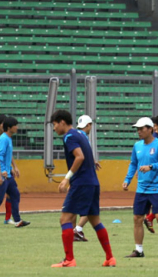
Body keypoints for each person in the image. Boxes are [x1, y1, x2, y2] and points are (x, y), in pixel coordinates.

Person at [50, 110, 115, 268]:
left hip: (82, 183)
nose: (54, 128)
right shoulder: (81, 135)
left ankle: (69, 260)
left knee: (65, 219)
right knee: (95, 220)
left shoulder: (69, 137)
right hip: (93, 182)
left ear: (62, 122)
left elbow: (80, 157)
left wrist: (67, 178)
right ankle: (110, 258)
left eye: (54, 124)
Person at [123, 117, 158, 258]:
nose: (139, 131)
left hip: (157, 187)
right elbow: (133, 164)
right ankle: (138, 250)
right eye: (137, 129)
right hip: (141, 188)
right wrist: (127, 179)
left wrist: (151, 167)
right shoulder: (137, 146)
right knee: (137, 218)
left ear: (150, 129)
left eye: (141, 129)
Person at [0, 117, 30, 228]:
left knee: (15, 194)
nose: (17, 127)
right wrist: (2, 171)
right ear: (9, 128)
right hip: (0, 175)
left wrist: (13, 168)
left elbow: (7, 156)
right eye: (15, 125)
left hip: (7, 175)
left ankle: (17, 220)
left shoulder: (8, 138)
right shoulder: (4, 139)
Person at [73, 114, 99, 242]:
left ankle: (75, 230)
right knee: (90, 207)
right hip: (85, 178)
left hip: (79, 177)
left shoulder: (77, 136)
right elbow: (82, 155)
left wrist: (92, 161)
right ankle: (76, 230)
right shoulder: (83, 138)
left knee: (74, 206)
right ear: (89, 125)